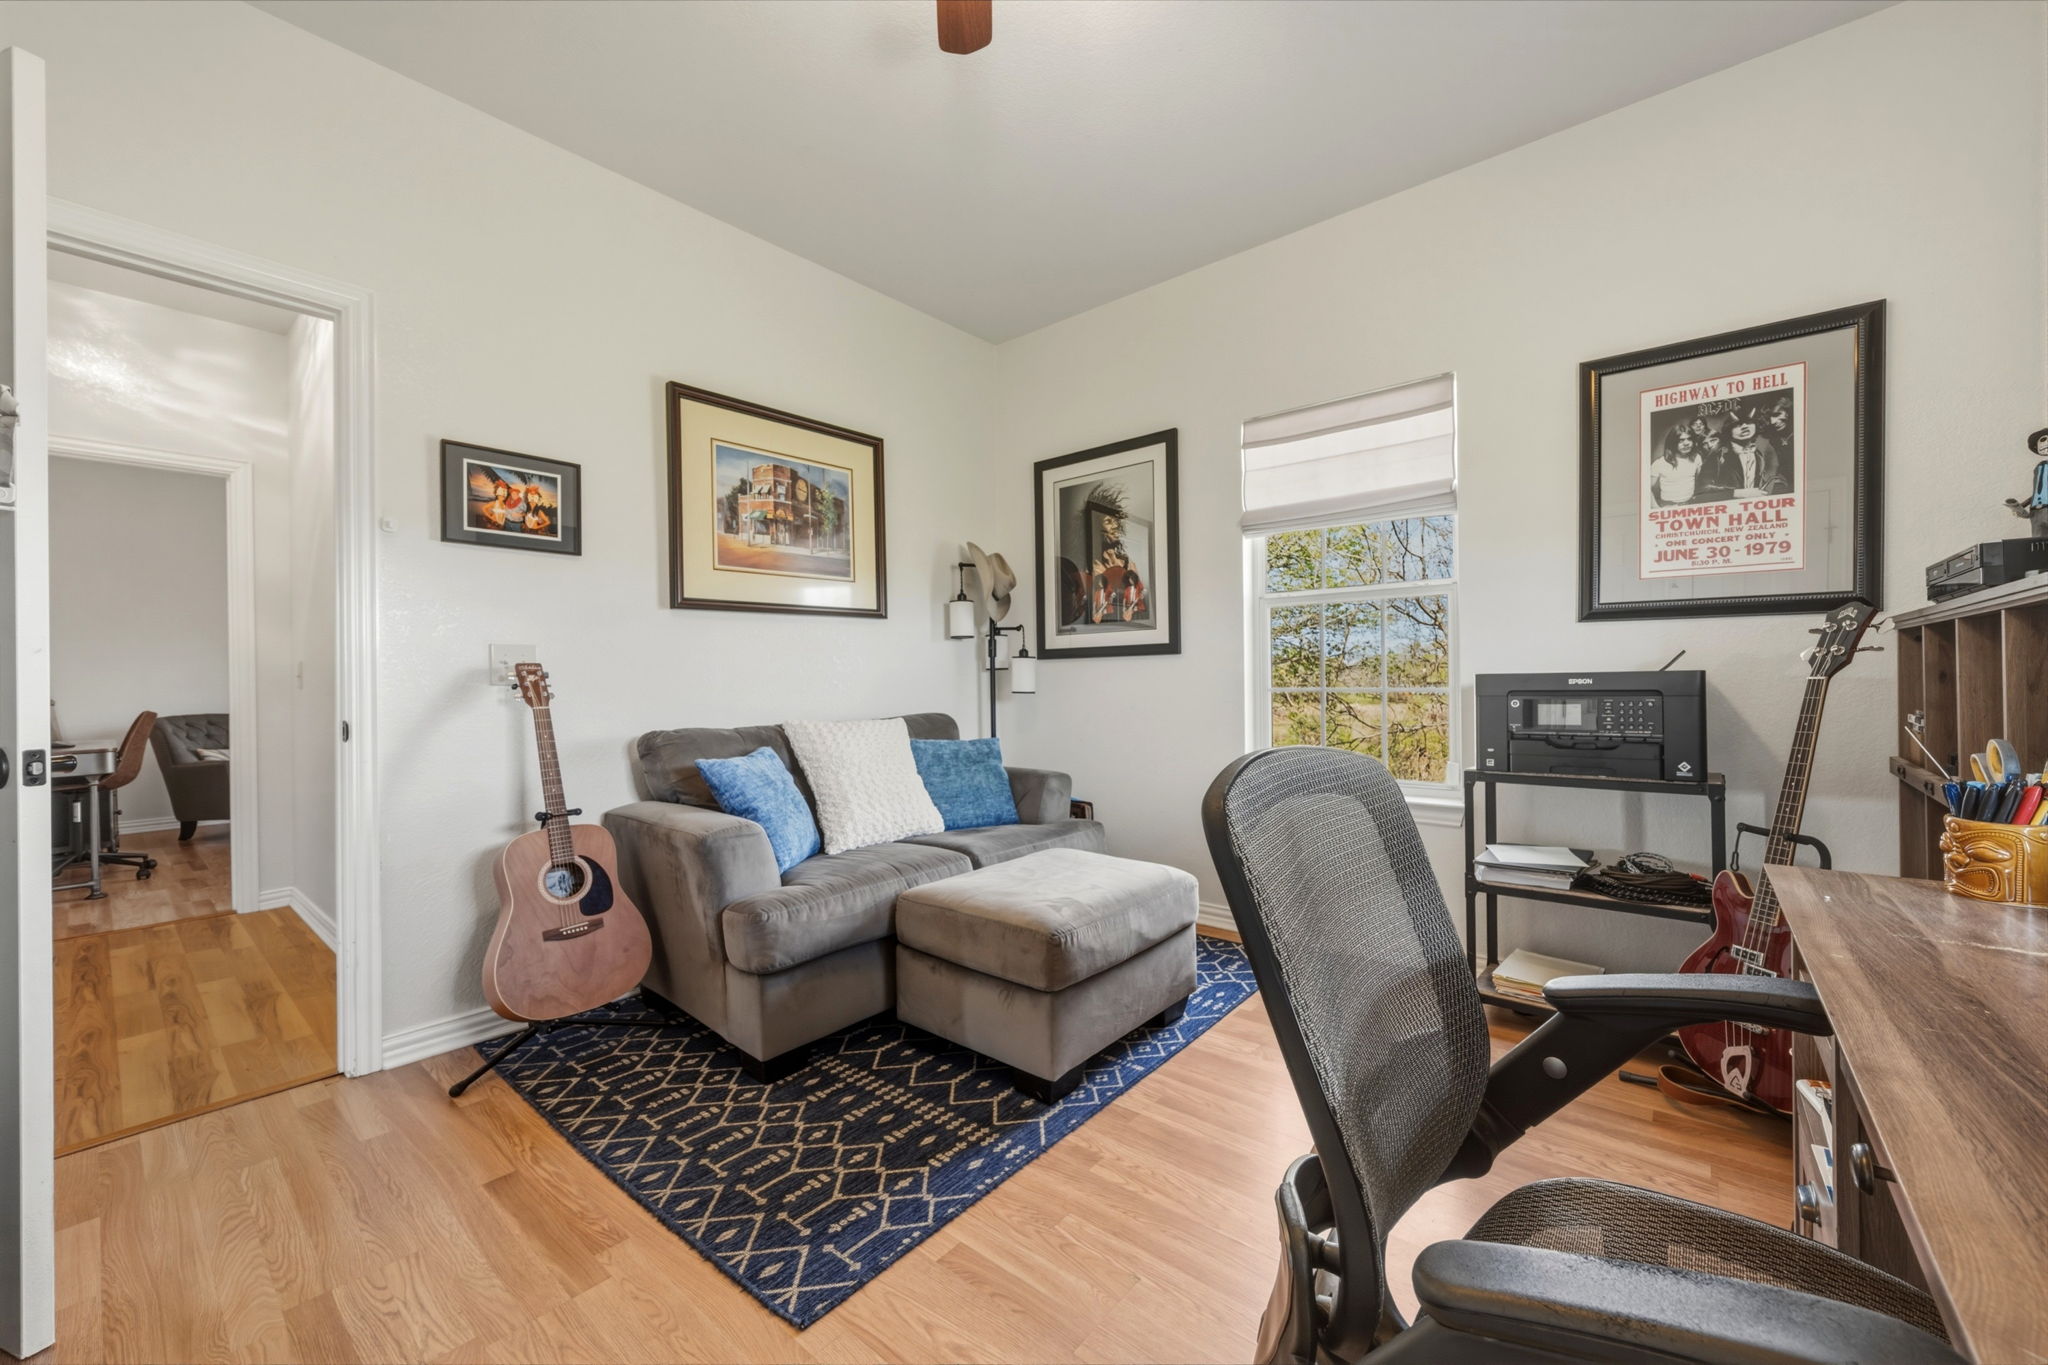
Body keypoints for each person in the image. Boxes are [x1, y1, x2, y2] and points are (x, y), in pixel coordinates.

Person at [1648, 429, 1701, 506]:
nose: (1686, 443)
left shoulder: (1697, 458)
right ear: (1672, 443)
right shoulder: (1660, 463)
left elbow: (1697, 480)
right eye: (1681, 440)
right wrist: (1655, 508)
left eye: (1689, 439)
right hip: (1669, 506)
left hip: (1691, 504)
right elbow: (1645, 488)